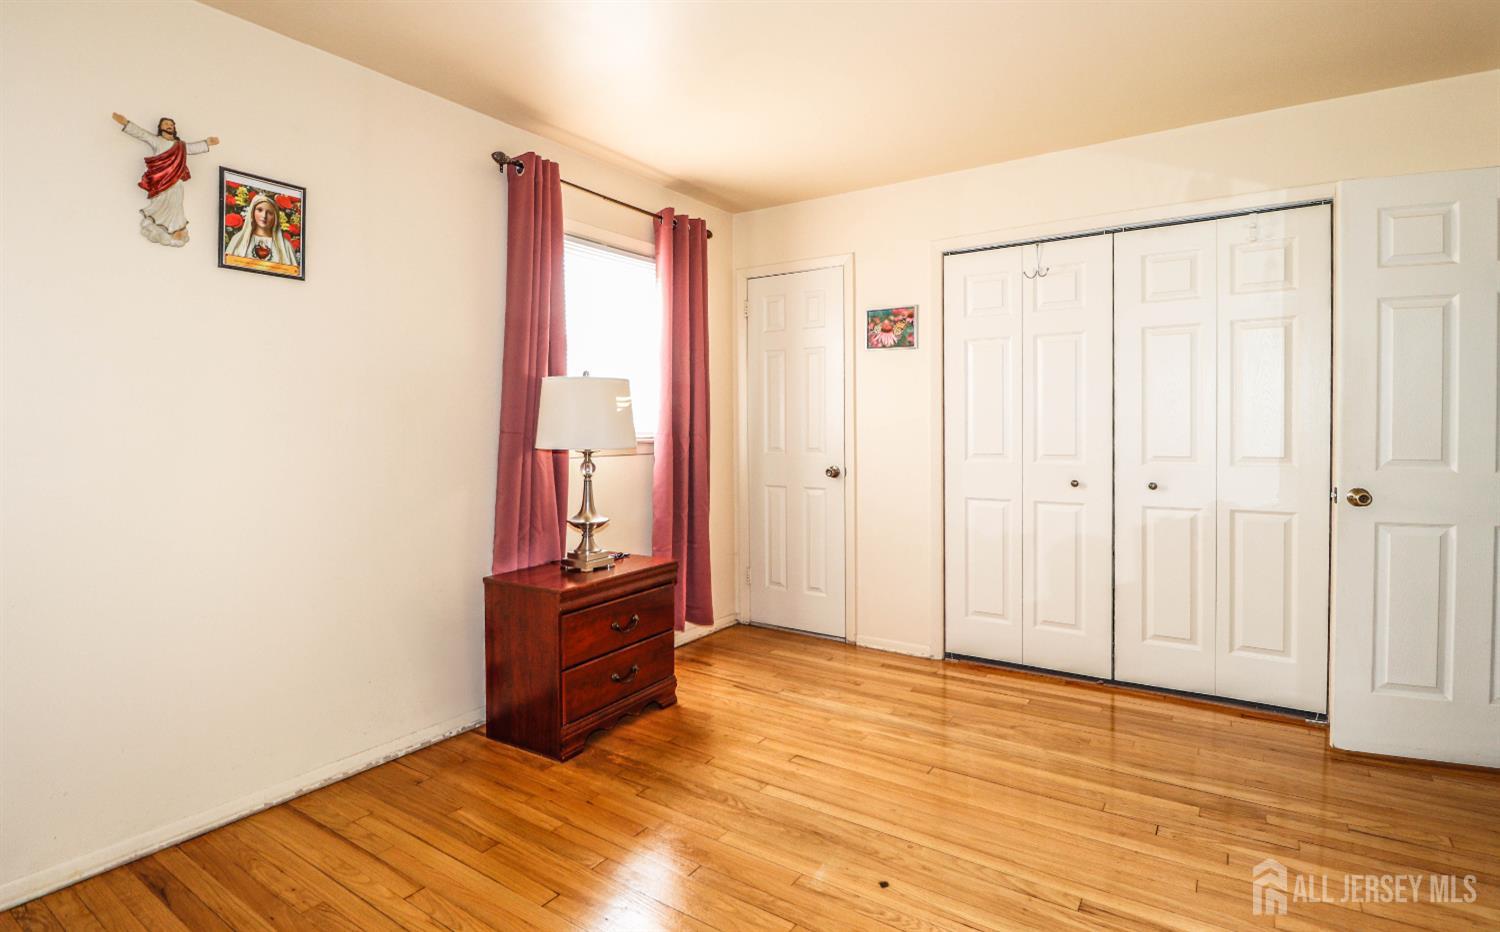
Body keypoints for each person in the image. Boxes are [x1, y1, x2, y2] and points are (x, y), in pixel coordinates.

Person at [113, 113, 219, 246]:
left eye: (171, 125)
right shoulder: (157, 141)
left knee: (176, 205)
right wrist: (126, 123)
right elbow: (142, 133)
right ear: (160, 127)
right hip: (161, 181)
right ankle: (156, 225)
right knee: (160, 203)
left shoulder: (180, 145)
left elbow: (191, 148)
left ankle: (176, 230)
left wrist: (207, 142)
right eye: (166, 124)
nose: (169, 126)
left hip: (176, 182)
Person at [224, 192, 299, 268]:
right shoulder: (238, 239)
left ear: (275, 217)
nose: (264, 216)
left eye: (269, 212)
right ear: (252, 212)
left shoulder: (286, 246)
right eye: (260, 210)